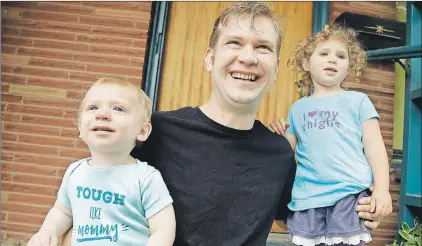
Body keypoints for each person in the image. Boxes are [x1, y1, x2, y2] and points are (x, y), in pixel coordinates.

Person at [48, 2, 383, 246]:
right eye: (234, 43)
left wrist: (364, 205)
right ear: (210, 58)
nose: (248, 57)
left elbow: (304, 211)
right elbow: (83, 206)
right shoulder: (156, 133)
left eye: (262, 47)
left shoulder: (280, 154)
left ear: (276, 68)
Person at [268, 25, 392, 246]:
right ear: (306, 63)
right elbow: (285, 152)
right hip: (308, 201)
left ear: (349, 67)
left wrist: (382, 190)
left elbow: (375, 147)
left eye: (341, 56)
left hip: (349, 196)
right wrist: (277, 131)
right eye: (324, 53)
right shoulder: (298, 108)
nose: (332, 60)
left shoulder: (359, 101)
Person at [27, 78, 176, 246]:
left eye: (118, 108)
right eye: (93, 107)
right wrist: (47, 232)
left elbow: (163, 229)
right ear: (80, 129)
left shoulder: (145, 177)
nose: (102, 114)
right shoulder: (75, 171)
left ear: (142, 131)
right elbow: (63, 211)